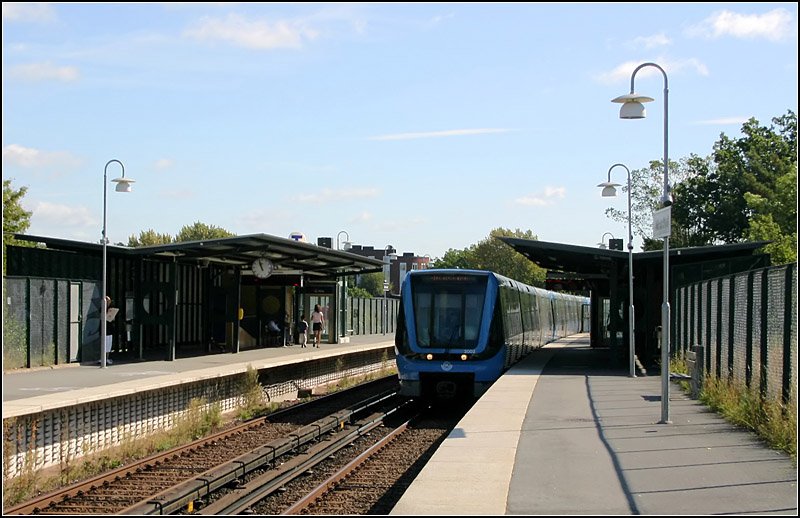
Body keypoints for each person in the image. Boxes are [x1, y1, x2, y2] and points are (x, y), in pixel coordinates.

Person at [104, 296, 119, 365]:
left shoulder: (110, 308)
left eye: (109, 301)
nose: (109, 302)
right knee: (105, 344)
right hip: (104, 328)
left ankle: (106, 358)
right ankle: (104, 358)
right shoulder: (102, 308)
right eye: (107, 301)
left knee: (108, 344)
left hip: (109, 328)